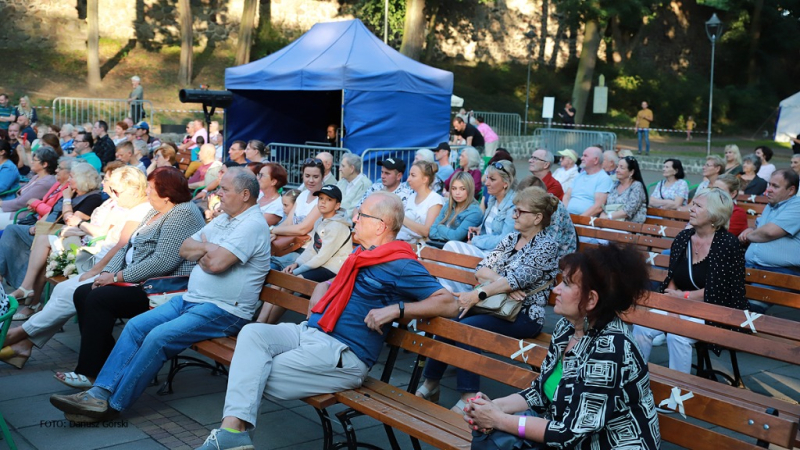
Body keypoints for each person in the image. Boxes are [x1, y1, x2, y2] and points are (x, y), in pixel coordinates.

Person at [195, 191, 458, 450]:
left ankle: (231, 436)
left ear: (380, 226)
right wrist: (323, 286)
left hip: (343, 353)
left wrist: (396, 310)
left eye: (361, 214)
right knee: (252, 335)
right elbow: (339, 282)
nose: (355, 218)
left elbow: (449, 302)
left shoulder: (401, 264)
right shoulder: (362, 256)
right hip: (312, 332)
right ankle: (232, 434)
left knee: (251, 373)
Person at [48, 168, 269, 422]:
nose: (218, 194)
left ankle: (113, 405)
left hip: (224, 309)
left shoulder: (252, 225)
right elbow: (186, 248)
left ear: (244, 195)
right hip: (192, 300)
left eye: (225, 190)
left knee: (158, 337)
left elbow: (216, 264)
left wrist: (206, 251)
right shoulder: (225, 219)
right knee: (135, 326)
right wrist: (209, 248)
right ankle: (98, 392)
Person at [463, 244, 660, 450]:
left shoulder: (611, 348)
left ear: (591, 299)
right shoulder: (567, 327)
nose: (556, 289)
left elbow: (568, 433)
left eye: (565, 284)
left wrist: (498, 419)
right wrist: (493, 407)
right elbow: (540, 392)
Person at [416, 187, 561, 411]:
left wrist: (484, 291)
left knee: (466, 328)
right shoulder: (511, 238)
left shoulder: (547, 246)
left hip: (524, 315)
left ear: (537, 217)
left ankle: (469, 396)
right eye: (515, 210)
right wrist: (504, 284)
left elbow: (519, 278)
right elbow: (481, 269)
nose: (514, 215)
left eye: (520, 212)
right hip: (495, 307)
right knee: (450, 321)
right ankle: (431, 383)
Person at [57, 167, 205, 386]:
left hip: (163, 288)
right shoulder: (155, 209)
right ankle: (106, 364)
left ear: (166, 194)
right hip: (140, 281)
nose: (146, 192)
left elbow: (163, 262)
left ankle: (91, 372)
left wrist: (116, 277)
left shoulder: (182, 213)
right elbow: (128, 246)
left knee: (99, 299)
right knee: (83, 293)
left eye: (151, 189)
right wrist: (107, 273)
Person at [0, 167, 151, 353]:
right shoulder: (126, 205)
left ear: (134, 189)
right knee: (63, 289)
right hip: (99, 258)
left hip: (110, 267)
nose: (112, 194)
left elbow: (120, 245)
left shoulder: (139, 209)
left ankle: (18, 335)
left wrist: (96, 271)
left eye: (116, 190)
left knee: (67, 292)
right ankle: (24, 341)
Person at [634, 187, 746, 373]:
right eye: (692, 204)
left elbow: (719, 291)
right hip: (680, 303)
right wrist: (672, 306)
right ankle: (635, 380)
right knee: (641, 327)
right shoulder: (684, 237)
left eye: (698, 206)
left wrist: (682, 297)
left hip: (716, 308)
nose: (691, 209)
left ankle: (678, 393)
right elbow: (672, 276)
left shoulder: (727, 244)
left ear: (714, 214)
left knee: (677, 336)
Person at [0, 162, 103, 309]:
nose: (69, 180)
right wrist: (37, 226)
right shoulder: (73, 192)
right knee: (11, 230)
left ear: (82, 179)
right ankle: (20, 287)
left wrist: (66, 198)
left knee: (38, 243)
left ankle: (27, 293)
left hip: (62, 235)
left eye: (72, 177)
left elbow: (71, 221)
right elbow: (51, 213)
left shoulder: (93, 198)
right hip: (47, 229)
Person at [280, 185, 352, 282]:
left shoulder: (337, 226)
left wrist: (297, 271)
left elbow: (322, 256)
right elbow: (312, 249)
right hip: (320, 264)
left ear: (337, 205)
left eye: (329, 199)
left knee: (294, 281)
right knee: (284, 279)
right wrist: (297, 264)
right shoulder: (320, 221)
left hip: (333, 268)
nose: (323, 201)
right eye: (321, 198)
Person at [739, 169, 800, 279]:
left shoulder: (797, 206)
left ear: (791, 190)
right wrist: (751, 229)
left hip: (780, 273)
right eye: (769, 185)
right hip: (752, 268)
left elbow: (769, 232)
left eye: (775, 186)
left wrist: (747, 237)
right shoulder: (771, 205)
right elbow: (760, 228)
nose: (768, 190)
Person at [270, 159, 325, 270]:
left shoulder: (323, 199)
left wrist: (273, 230)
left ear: (323, 177)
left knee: (269, 267)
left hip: (307, 250)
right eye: (307, 175)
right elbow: (288, 222)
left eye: (315, 176)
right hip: (290, 245)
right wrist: (272, 234)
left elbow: (302, 229)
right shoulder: (303, 195)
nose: (310, 180)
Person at [0, 146, 58, 229]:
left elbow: (21, 203)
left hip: (21, 215)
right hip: (15, 209)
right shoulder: (37, 176)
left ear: (45, 164)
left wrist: (1, 203)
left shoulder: (45, 182)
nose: (31, 162)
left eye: (34, 160)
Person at [397, 161, 443, 245]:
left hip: (420, 247)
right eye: (409, 175)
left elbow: (427, 231)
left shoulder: (435, 199)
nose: (408, 179)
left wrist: (401, 218)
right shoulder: (411, 197)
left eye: (413, 175)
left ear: (425, 179)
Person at [428, 172, 483, 243]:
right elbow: (432, 231)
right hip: (438, 245)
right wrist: (447, 235)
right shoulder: (448, 204)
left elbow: (456, 237)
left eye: (462, 189)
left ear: (469, 189)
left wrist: (440, 227)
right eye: (454, 189)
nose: (457, 193)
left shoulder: (475, 212)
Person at [563, 147, 613, 216]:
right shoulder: (579, 176)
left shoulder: (604, 179)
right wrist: (565, 216)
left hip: (584, 220)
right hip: (568, 217)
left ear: (595, 160)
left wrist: (578, 219)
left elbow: (598, 207)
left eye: (585, 156)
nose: (581, 158)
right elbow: (567, 196)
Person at [599, 156, 648, 223]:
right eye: (617, 167)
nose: (617, 170)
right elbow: (606, 206)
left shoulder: (636, 186)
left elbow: (628, 211)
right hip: (610, 223)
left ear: (631, 172)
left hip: (628, 226)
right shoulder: (616, 184)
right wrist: (602, 217)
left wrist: (608, 217)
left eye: (621, 167)